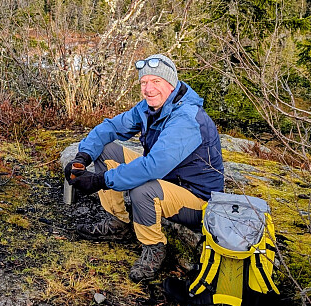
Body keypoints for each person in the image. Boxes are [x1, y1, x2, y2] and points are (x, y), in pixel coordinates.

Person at [65, 54, 224, 281]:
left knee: (144, 189)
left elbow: (153, 167)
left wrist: (100, 180)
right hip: (167, 180)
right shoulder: (150, 108)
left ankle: (154, 247)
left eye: (156, 82)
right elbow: (110, 127)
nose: (148, 89)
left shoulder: (187, 118)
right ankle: (118, 222)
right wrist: (82, 157)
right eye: (143, 82)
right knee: (105, 150)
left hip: (197, 199)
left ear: (171, 84)